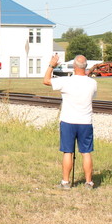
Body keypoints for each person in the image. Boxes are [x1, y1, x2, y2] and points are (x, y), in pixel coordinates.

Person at [43, 53, 98, 190]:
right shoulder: (93, 83)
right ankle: (88, 182)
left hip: (68, 121)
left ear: (74, 66)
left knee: (68, 152)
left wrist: (51, 65)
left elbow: (46, 80)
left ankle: (65, 182)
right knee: (86, 152)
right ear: (85, 67)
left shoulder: (66, 81)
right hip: (85, 121)